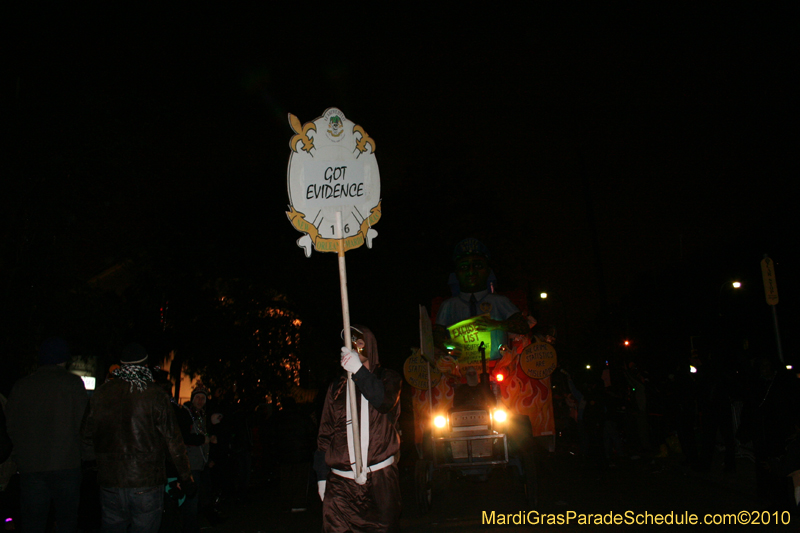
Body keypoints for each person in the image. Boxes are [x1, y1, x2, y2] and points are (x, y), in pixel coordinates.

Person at [81, 343, 194, 533]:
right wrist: (186, 477)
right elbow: (173, 441)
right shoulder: (155, 394)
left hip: (110, 482)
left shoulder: (101, 394)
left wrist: (95, 465)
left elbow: (86, 436)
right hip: (146, 482)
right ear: (145, 365)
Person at [315, 325, 402, 533]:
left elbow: (383, 401)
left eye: (359, 343)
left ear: (370, 346)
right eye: (349, 344)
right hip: (341, 486)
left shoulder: (388, 378)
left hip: (379, 482)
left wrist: (360, 372)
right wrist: (320, 475)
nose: (354, 348)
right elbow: (324, 433)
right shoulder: (337, 388)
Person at [5, 337, 88, 533]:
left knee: (33, 522)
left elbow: (11, 425)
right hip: (67, 464)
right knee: (66, 522)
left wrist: (19, 455)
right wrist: (86, 454)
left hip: (31, 465)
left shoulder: (22, 386)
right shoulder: (73, 384)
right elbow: (85, 425)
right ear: (64, 360)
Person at [434, 238, 533, 360]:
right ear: (456, 273)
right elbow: (436, 335)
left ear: (488, 271)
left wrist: (498, 324)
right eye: (464, 267)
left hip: (497, 367)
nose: (471, 272)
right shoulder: (448, 305)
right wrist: (446, 344)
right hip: (460, 370)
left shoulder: (500, 301)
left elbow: (523, 326)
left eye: (478, 266)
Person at [179, 387, 216, 533]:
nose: (200, 401)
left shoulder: (201, 415)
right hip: (190, 462)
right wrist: (203, 439)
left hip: (200, 462)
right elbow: (184, 437)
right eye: (197, 398)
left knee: (197, 496)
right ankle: (190, 527)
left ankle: (191, 525)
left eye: (203, 398)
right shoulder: (186, 413)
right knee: (191, 498)